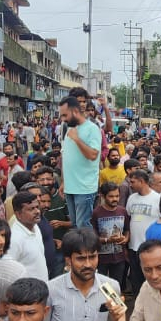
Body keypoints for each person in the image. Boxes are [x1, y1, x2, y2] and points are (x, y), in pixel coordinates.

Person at [48, 228, 122, 321]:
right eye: (81, 258)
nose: (88, 264)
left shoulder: (112, 287)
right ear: (68, 260)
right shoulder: (51, 290)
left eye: (92, 257)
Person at [59, 96, 101, 229]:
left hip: (84, 188)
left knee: (83, 226)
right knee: (75, 225)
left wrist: (77, 140)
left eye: (65, 115)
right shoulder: (69, 129)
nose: (63, 119)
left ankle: (87, 250)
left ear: (75, 111)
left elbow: (93, 155)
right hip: (70, 187)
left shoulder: (92, 129)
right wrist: (64, 181)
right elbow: (67, 157)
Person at [125, 170, 161, 294]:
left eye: (133, 182)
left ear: (141, 181)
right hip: (133, 248)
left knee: (151, 280)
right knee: (136, 281)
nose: (130, 184)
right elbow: (128, 219)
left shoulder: (158, 198)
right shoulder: (131, 198)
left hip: (150, 248)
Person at [91, 182, 130, 283]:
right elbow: (93, 238)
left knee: (117, 285)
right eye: (111, 196)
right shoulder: (96, 213)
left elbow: (127, 230)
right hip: (101, 259)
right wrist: (108, 240)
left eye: (117, 196)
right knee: (101, 286)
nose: (115, 199)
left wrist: (125, 239)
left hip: (119, 258)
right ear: (103, 196)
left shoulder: (123, 211)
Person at [5, 191, 47, 282]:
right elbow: (8, 272)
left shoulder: (35, 226)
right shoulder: (14, 239)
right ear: (18, 214)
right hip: (27, 293)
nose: (37, 211)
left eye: (37, 207)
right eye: (31, 209)